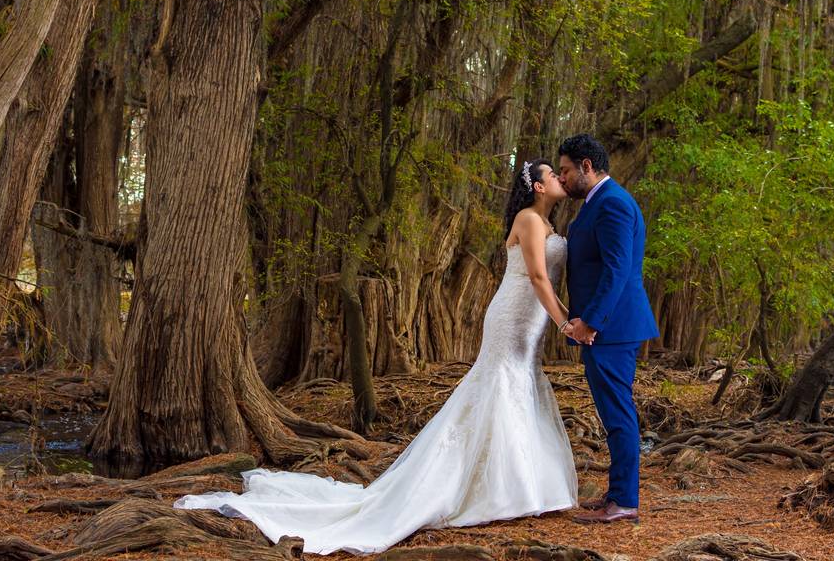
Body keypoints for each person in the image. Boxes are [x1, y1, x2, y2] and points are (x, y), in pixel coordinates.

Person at [175, 159, 579, 554]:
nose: (561, 178)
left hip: (531, 320)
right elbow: (539, 276)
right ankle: (500, 490)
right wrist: (564, 320)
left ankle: (516, 484)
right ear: (538, 187)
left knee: (516, 387)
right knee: (499, 387)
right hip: (512, 317)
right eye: (552, 175)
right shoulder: (528, 218)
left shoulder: (549, 224)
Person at [557, 133, 659, 524]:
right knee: (612, 413)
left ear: (586, 166)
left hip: (612, 328)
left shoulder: (613, 203)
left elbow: (617, 269)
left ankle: (626, 502)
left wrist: (590, 322)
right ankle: (617, 494)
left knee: (618, 414)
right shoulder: (596, 203)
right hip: (607, 328)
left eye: (566, 170)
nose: (562, 178)